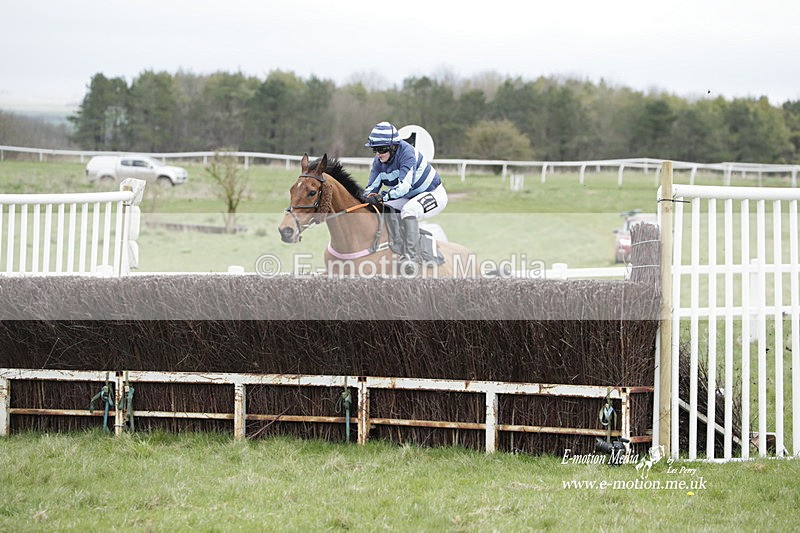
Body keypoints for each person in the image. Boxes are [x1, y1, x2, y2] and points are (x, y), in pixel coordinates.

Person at [362, 121, 448, 272]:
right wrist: (367, 198)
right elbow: (371, 188)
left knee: (409, 210)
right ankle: (395, 245)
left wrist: (382, 196)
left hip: (432, 194)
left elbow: (404, 186)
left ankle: (412, 256)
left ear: (393, 146)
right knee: (384, 208)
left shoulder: (408, 153)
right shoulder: (378, 162)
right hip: (408, 196)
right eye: (374, 149)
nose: (377, 154)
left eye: (381, 149)